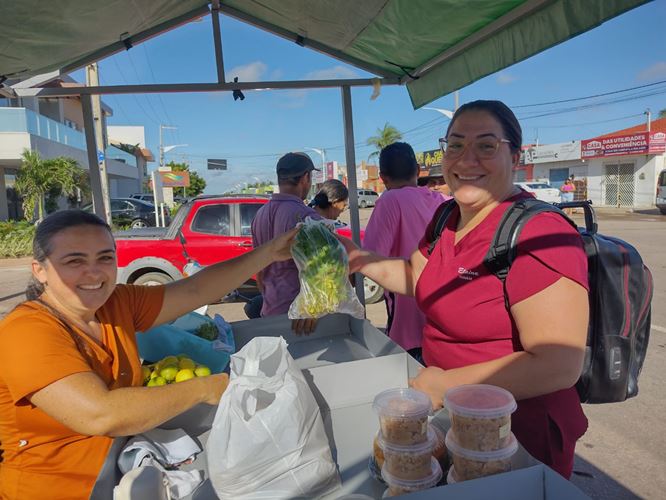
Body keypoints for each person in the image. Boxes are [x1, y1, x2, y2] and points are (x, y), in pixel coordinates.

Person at [338, 100, 589, 478]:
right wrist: (359, 259)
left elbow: (558, 364)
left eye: (486, 146)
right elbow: (419, 278)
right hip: (452, 420)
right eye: (455, 145)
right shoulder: (446, 216)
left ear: (515, 156)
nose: (466, 159)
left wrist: (446, 384)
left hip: (517, 440)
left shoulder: (539, 232)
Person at [0, 209, 297, 499]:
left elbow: (196, 291)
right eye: (74, 260)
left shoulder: (116, 303)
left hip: (121, 469)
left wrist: (269, 252)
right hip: (57, 486)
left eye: (105, 257)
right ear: (40, 270)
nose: (93, 272)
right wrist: (207, 387)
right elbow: (100, 414)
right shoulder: (26, 330)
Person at [363, 142, 446, 359]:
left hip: (409, 326)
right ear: (418, 171)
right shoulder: (443, 201)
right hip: (444, 321)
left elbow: (370, 261)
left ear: (382, 177)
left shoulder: (389, 200)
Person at [251, 152, 321, 333]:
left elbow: (258, 269)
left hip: (268, 311)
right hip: (301, 319)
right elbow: (320, 271)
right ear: (306, 177)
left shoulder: (260, 215)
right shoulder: (307, 217)